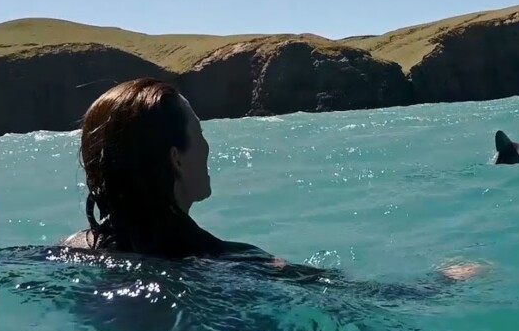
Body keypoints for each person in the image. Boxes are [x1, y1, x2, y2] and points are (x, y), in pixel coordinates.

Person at [59, 78, 483, 284]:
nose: (208, 148)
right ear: (176, 160)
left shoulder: (70, 252)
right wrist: (445, 281)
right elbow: (358, 300)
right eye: (200, 135)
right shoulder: (232, 263)